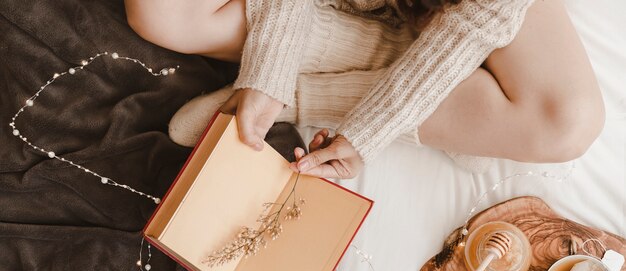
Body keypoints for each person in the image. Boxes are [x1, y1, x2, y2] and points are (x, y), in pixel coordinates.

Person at [124, 0, 605, 178]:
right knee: (157, 10)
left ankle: (301, 92)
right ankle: (387, 61)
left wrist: (368, 129)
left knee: (569, 124)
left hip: (462, 9)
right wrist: (269, 62)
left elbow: (482, 18)